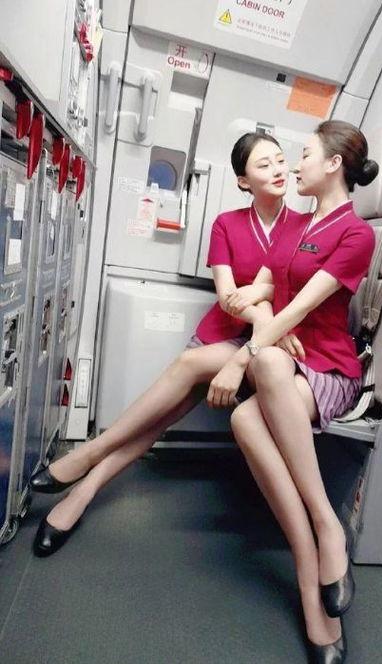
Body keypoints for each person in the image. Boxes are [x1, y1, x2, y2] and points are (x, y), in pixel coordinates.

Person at [31, 131, 302, 556]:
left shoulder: (302, 226)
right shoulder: (226, 224)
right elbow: (228, 297)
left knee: (179, 382)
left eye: (281, 160)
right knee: (156, 423)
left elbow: (291, 289)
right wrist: (263, 310)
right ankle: (80, 494)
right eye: (264, 165)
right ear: (243, 181)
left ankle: (86, 458)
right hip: (224, 332)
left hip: (266, 348)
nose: (278, 171)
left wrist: (262, 306)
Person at [210, 120, 378, 663]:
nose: (294, 164)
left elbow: (303, 307)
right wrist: (241, 300)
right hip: (288, 358)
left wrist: (242, 356)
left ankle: (328, 528)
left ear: (333, 164)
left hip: (329, 367)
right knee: (243, 417)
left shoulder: (356, 233)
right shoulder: (298, 223)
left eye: (304, 154)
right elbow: (264, 287)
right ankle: (311, 558)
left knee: (266, 369)